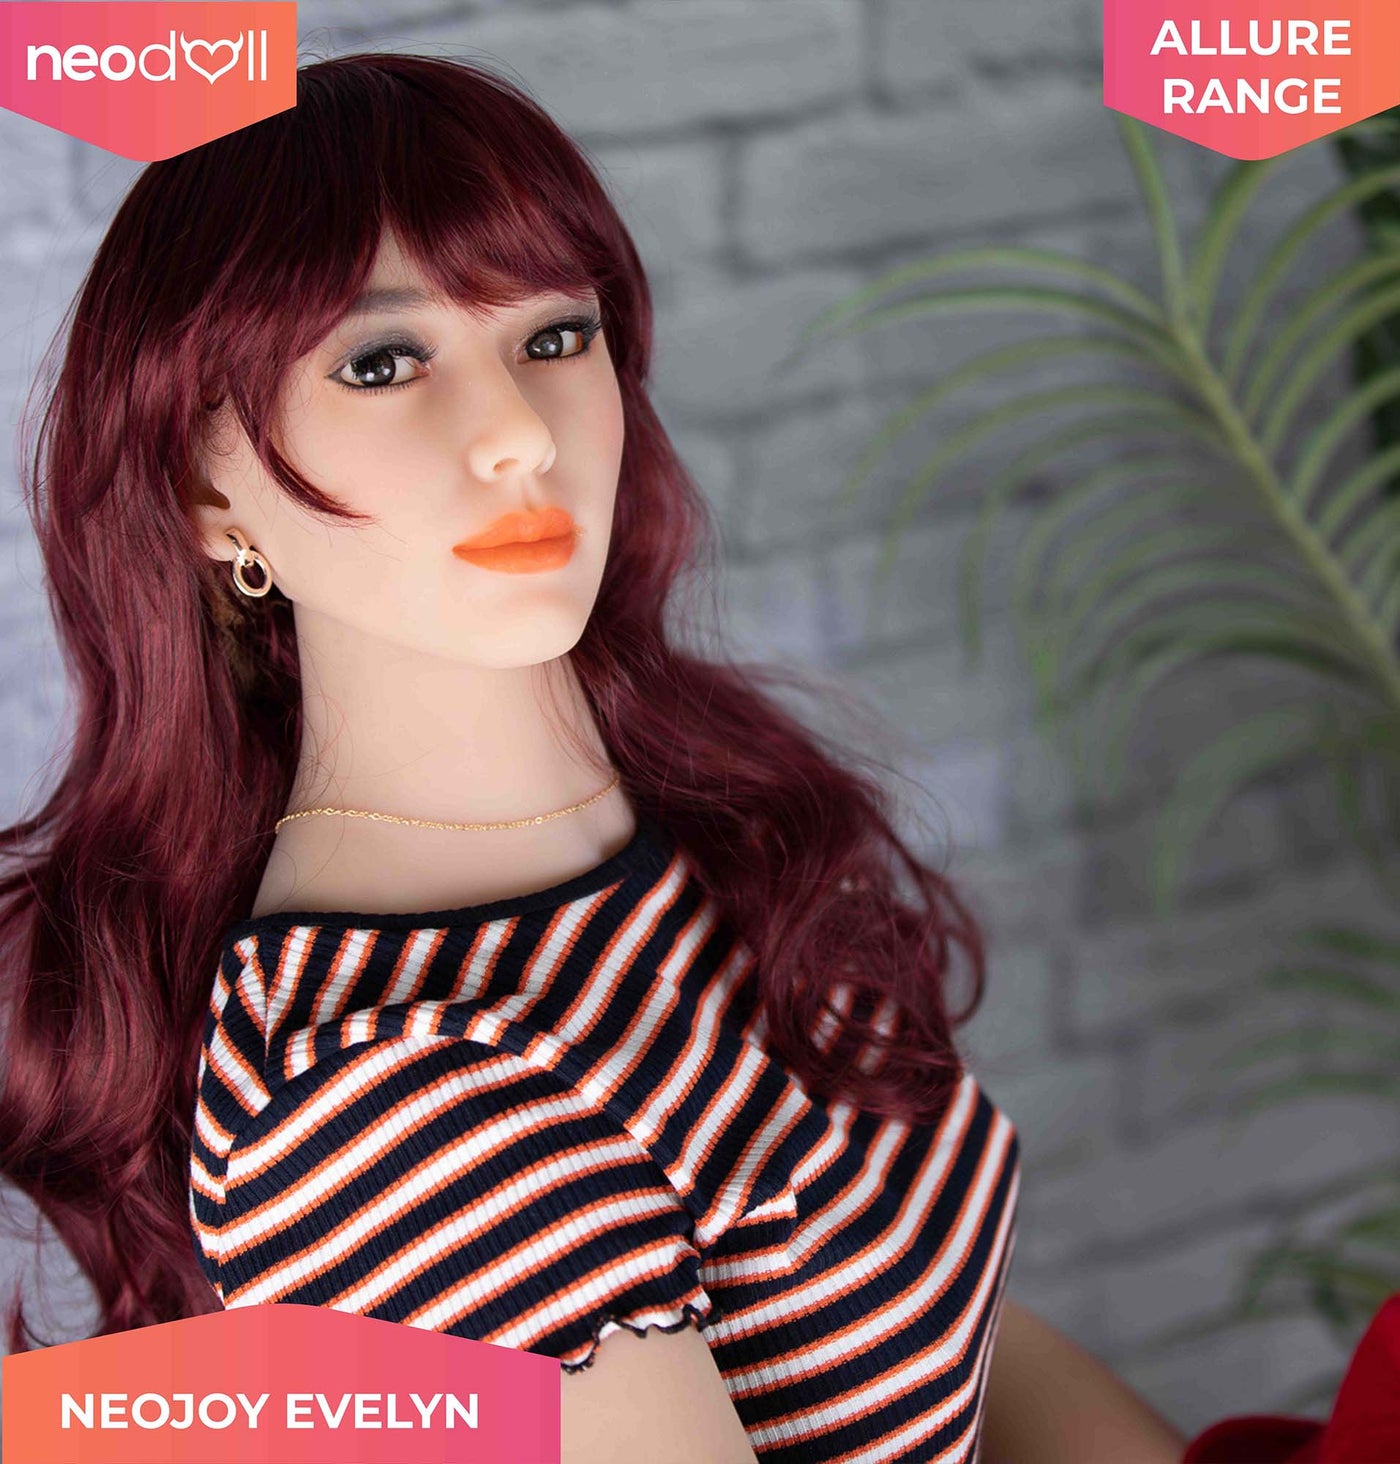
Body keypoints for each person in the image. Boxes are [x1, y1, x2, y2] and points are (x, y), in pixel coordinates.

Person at [0, 51, 1186, 1462]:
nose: (516, 435)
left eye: (556, 337)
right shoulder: (394, 1109)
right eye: (382, 363)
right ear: (206, 489)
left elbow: (968, 1336)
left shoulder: (706, 819)